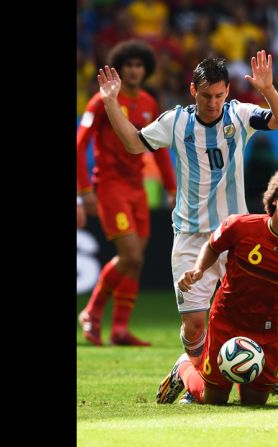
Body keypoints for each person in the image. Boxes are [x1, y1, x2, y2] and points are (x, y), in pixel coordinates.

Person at [96, 51, 278, 405]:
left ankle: (270, 377)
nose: (213, 103)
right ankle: (193, 367)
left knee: (255, 316)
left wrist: (268, 89)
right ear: (192, 90)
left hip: (236, 235)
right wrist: (110, 103)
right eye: (207, 95)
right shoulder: (175, 122)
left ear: (227, 93)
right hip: (191, 236)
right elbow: (133, 144)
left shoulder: (239, 115)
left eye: (220, 96)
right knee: (195, 324)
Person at [156, 165, 278, 405]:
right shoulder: (240, 226)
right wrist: (199, 269)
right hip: (228, 320)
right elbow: (212, 246)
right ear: (275, 198)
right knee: (213, 399)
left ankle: (272, 382)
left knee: (254, 403)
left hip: (271, 331)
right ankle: (184, 368)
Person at [77, 40, 177, 347]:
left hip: (137, 189)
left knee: (135, 261)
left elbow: (158, 148)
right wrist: (84, 191)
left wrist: (171, 186)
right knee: (130, 254)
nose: (134, 70)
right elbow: (79, 146)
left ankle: (120, 328)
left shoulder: (148, 103)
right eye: (129, 65)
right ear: (119, 69)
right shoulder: (101, 101)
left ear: (145, 69)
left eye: (139, 65)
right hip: (109, 186)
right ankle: (91, 312)